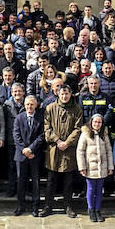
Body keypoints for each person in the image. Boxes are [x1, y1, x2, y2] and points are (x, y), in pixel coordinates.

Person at [43, 85, 84, 218]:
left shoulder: (77, 109)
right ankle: (48, 206)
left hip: (69, 150)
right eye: (62, 94)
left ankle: (68, 206)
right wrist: (58, 140)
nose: (64, 96)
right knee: (51, 181)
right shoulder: (50, 108)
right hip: (54, 150)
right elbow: (47, 128)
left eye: (67, 94)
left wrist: (67, 142)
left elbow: (78, 128)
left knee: (68, 181)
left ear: (71, 94)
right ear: (58, 94)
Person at [76, 113, 112, 223]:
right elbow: (80, 151)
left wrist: (110, 166)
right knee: (91, 189)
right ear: (91, 122)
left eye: (99, 122)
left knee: (99, 190)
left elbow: (109, 151)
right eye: (95, 122)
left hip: (102, 167)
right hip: (90, 167)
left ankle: (98, 210)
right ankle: (91, 210)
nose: (97, 124)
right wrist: (82, 167)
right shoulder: (85, 134)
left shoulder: (104, 134)